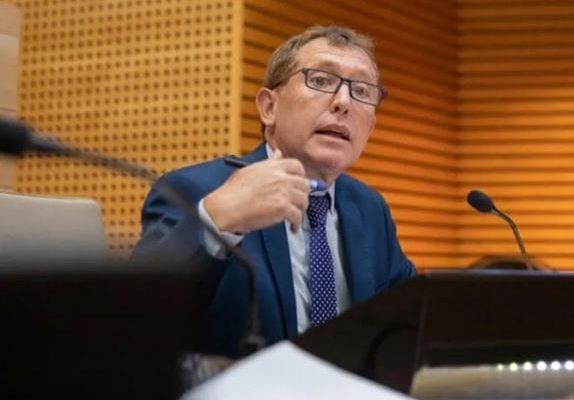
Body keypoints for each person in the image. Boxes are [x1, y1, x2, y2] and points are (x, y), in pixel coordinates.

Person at [133, 25, 416, 357]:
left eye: (362, 91)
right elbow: (137, 314)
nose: (343, 102)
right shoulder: (194, 190)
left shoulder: (369, 208)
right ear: (269, 107)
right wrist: (216, 219)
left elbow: (409, 319)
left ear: (369, 128)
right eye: (321, 80)